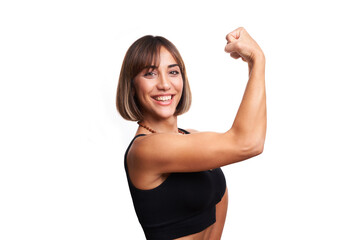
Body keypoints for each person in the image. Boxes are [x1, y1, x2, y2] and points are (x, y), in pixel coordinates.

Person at [116, 27, 266, 240]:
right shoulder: (145, 150)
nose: (165, 84)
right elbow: (248, 143)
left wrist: (254, 63)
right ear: (131, 86)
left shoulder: (190, 136)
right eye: (150, 73)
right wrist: (257, 59)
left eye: (173, 72)